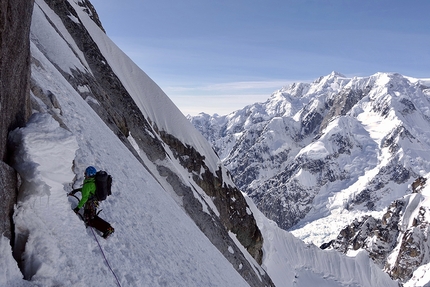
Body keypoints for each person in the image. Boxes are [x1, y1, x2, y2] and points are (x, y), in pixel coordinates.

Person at [69, 166, 114, 239]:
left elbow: (84, 198)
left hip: (90, 202)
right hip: (94, 201)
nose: (84, 174)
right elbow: (88, 190)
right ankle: (108, 228)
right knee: (91, 216)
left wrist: (78, 208)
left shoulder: (88, 184)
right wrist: (77, 190)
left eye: (86, 173)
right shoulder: (93, 181)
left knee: (89, 219)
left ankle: (107, 228)